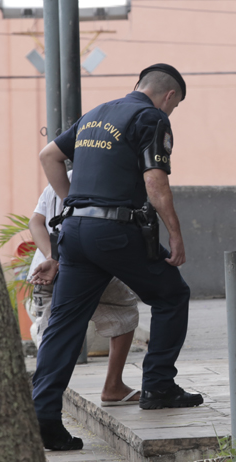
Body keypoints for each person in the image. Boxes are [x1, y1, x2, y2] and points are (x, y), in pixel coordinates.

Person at [31, 64, 202, 451]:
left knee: (64, 323)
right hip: (116, 232)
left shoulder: (96, 114)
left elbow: (48, 156)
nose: (170, 114)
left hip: (74, 234)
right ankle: (158, 385)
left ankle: (43, 416)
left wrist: (72, 200)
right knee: (171, 295)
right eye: (173, 107)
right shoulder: (151, 117)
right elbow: (155, 181)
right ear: (169, 96)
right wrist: (175, 235)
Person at [27, 171, 142, 407]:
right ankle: (113, 385)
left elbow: (35, 221)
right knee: (123, 310)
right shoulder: (103, 178)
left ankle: (41, 397)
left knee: (52, 334)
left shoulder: (60, 177)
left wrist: (50, 256)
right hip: (85, 265)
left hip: (45, 269)